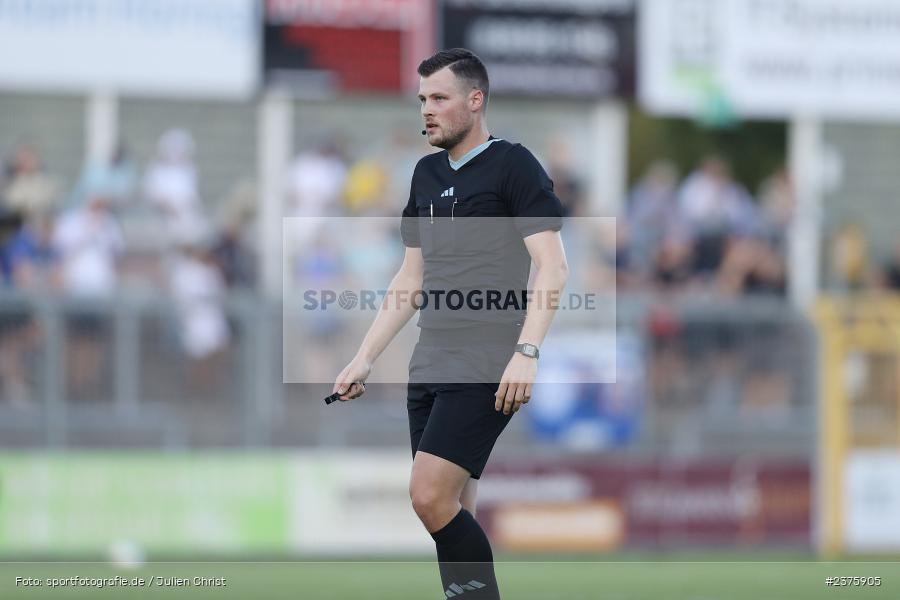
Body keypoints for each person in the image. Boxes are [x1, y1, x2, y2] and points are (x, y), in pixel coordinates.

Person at [330, 48, 568, 599]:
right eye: (422, 100)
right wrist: (364, 356)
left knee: (428, 497)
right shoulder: (425, 173)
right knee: (453, 507)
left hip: (486, 357)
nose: (427, 111)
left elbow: (553, 265)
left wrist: (526, 353)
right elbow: (410, 280)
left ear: (475, 100)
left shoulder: (513, 164)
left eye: (439, 98)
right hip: (430, 358)